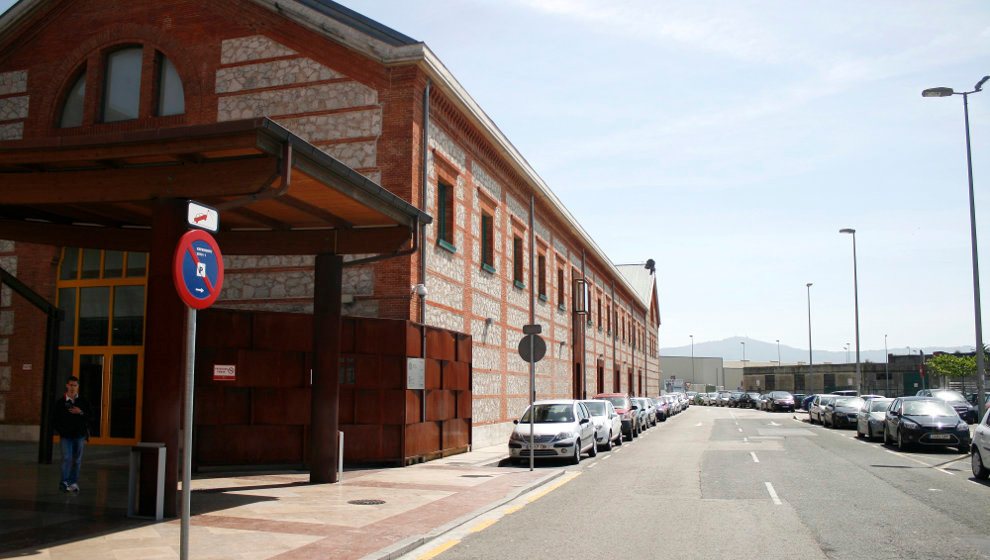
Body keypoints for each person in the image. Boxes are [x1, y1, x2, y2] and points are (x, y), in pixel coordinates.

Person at [53, 376, 92, 493]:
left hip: (79, 436)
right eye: (70, 385)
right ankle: (64, 482)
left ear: (78, 387)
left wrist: (80, 412)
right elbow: (54, 419)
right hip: (66, 436)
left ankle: (73, 482)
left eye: (75, 385)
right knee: (66, 458)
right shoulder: (60, 402)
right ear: (66, 386)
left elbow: (91, 416)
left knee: (77, 460)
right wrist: (61, 430)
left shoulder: (84, 401)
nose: (72, 388)